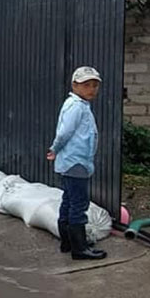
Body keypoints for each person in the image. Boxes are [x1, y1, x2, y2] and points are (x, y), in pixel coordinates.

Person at [48, 66, 107, 261]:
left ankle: (68, 242)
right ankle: (79, 249)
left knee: (69, 200)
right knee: (78, 204)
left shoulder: (79, 105)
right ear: (74, 85)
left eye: (94, 85)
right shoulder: (76, 106)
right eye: (86, 85)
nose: (91, 89)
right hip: (76, 162)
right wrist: (54, 149)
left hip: (74, 161)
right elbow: (64, 133)